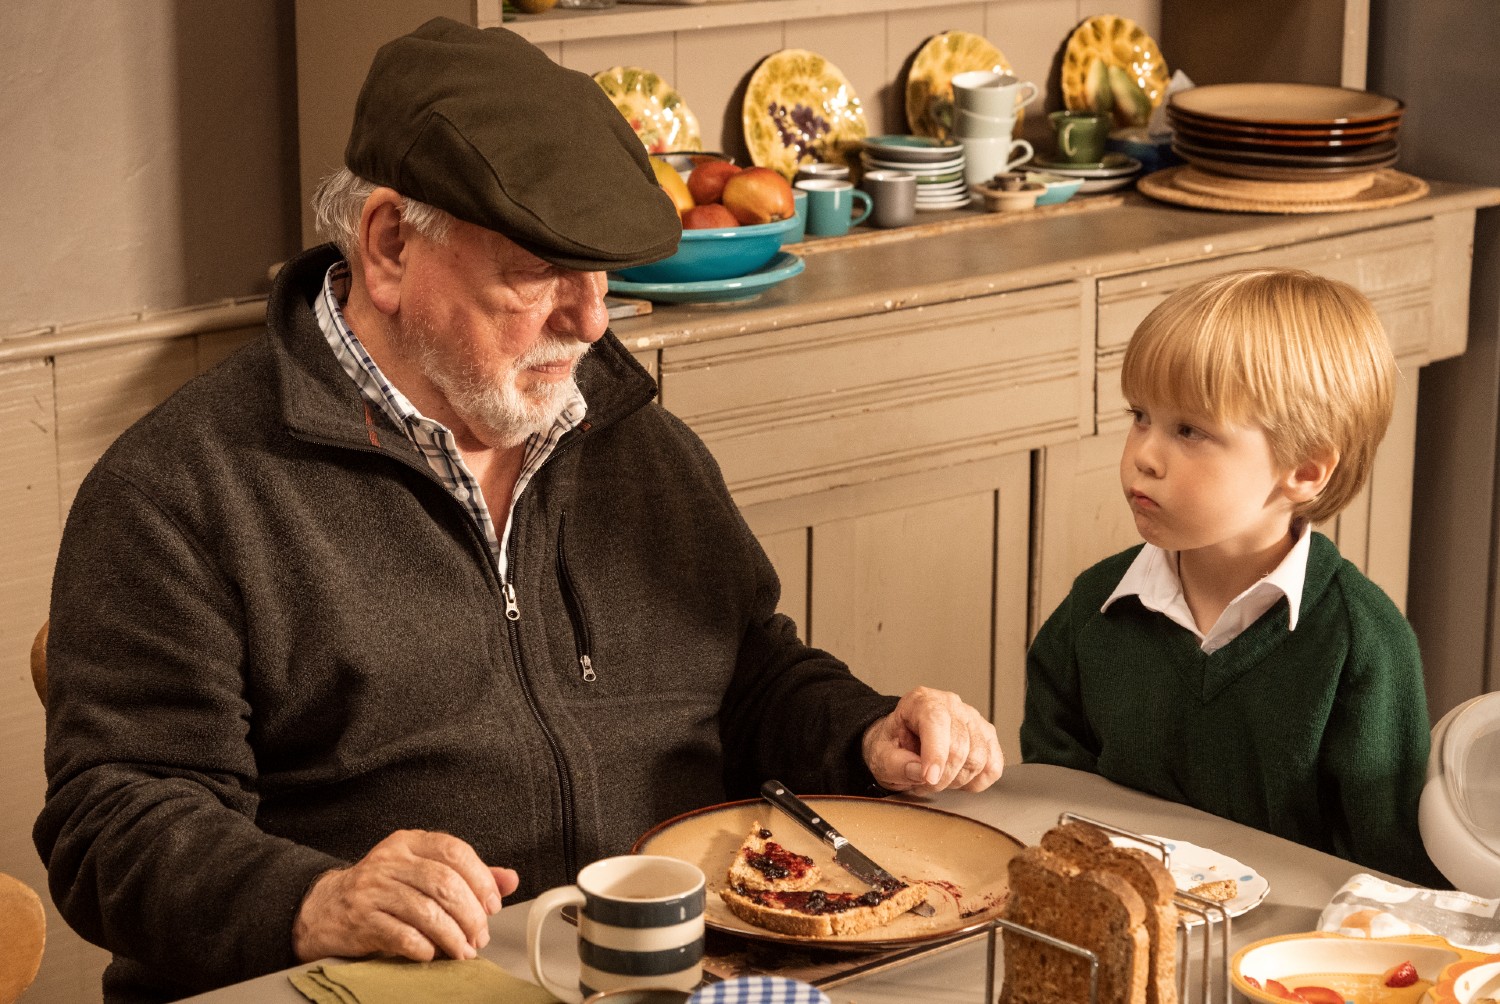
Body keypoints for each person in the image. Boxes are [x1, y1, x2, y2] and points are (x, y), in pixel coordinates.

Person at [33, 18, 1003, 1004]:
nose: (589, 321)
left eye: (602, 275)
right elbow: (112, 823)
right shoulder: (180, 488)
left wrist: (864, 732)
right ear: (389, 247)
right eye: (539, 273)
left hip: (656, 977)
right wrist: (317, 896)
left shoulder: (632, 442)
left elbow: (746, 671)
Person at [1020, 267, 1443, 886]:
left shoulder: (1365, 644)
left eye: (1189, 430)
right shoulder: (1094, 607)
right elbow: (1051, 799)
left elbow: (1389, 871)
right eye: (1140, 415)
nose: (1144, 454)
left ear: (1303, 471)